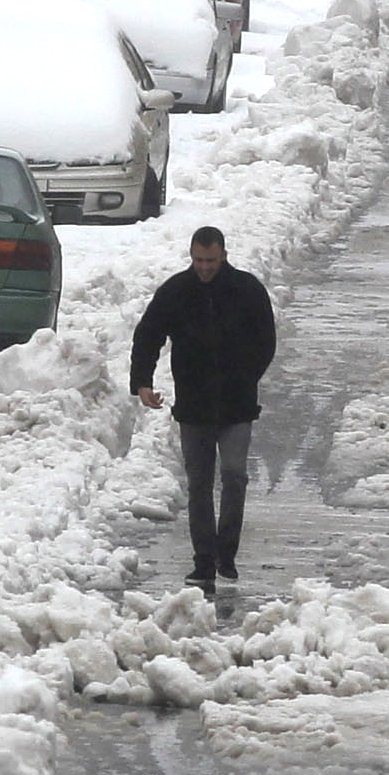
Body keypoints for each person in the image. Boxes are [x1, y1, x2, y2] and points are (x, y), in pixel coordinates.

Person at [131, 226, 276, 606]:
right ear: (191, 255)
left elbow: (266, 340)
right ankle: (203, 561)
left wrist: (246, 377)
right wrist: (142, 382)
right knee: (199, 484)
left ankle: (226, 553)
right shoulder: (177, 291)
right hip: (193, 406)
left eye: (211, 261)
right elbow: (148, 334)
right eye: (198, 260)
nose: (204, 267)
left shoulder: (246, 290)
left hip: (237, 405)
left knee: (234, 475)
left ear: (223, 255)